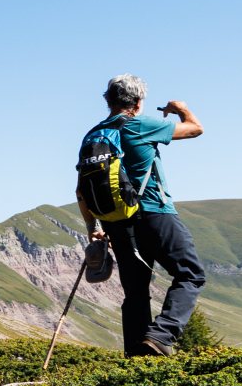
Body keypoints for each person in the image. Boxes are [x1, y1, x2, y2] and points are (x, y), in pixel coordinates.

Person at [78, 74, 207, 357]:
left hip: (117, 222)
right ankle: (161, 336)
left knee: (136, 292)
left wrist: (93, 227)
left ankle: (137, 359)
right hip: (154, 212)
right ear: (137, 103)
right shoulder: (139, 124)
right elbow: (196, 129)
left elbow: (81, 190)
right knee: (191, 274)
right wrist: (180, 107)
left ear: (107, 101)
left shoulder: (93, 135)